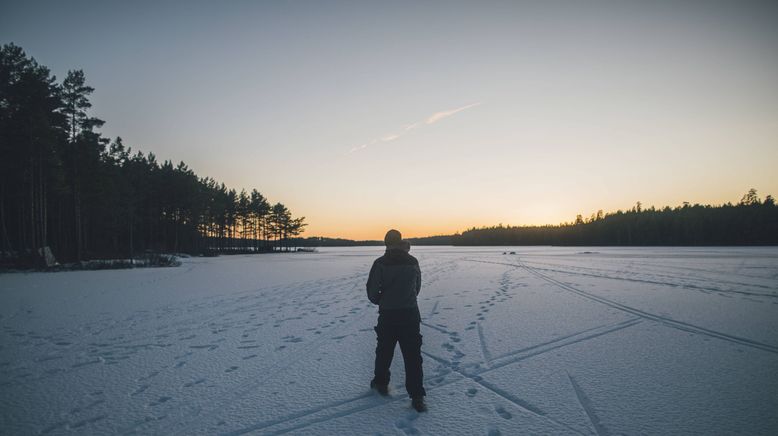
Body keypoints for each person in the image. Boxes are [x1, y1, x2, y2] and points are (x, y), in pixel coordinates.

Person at [366, 229, 427, 412]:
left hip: (388, 314)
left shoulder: (380, 263)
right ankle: (417, 396)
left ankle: (381, 383)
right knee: (413, 356)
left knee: (384, 351)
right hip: (409, 313)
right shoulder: (412, 261)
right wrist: (406, 298)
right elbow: (417, 287)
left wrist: (382, 300)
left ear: (386, 243)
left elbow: (371, 292)